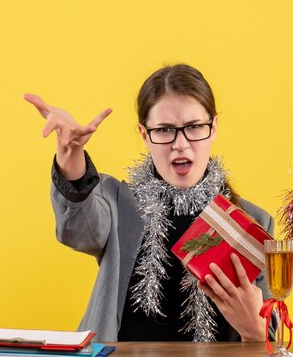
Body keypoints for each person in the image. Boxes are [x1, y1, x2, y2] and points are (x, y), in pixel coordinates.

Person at [24, 64, 273, 343]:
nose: (180, 144)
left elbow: (273, 341)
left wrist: (254, 330)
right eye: (165, 130)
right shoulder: (118, 203)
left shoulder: (253, 223)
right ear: (145, 134)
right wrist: (71, 158)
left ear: (213, 128)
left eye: (193, 127)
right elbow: (78, 231)